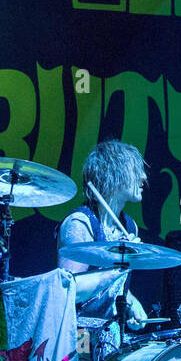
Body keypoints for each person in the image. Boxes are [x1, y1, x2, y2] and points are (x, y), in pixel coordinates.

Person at [55, 139, 150, 341]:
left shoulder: (128, 225)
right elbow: (70, 290)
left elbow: (110, 285)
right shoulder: (81, 224)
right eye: (136, 171)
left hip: (110, 334)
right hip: (78, 336)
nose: (143, 177)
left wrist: (130, 302)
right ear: (114, 176)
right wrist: (121, 265)